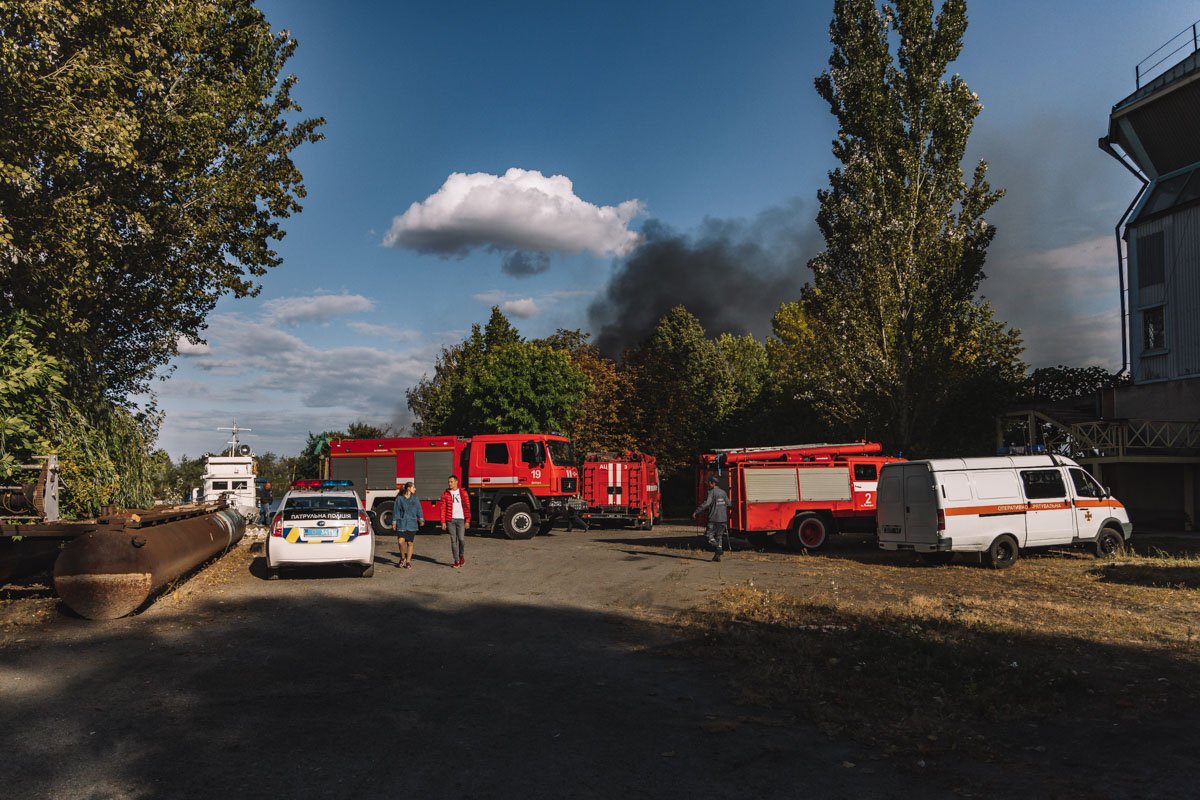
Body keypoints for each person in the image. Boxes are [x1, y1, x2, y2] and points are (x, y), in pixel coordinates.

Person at [693, 475, 730, 562]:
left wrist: (697, 512)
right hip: (723, 519)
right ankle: (717, 556)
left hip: (714, 519)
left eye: (709, 483)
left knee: (708, 535)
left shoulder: (711, 492)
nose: (708, 484)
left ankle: (718, 548)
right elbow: (729, 503)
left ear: (713, 483)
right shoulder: (723, 492)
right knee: (719, 536)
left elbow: (706, 504)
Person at [439, 474, 471, 568]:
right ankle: (456, 560)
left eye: (451, 482)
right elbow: (443, 509)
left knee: (461, 539)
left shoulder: (463, 493)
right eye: (449, 482)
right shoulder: (445, 494)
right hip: (450, 520)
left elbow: (467, 507)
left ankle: (461, 555)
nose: (450, 484)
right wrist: (443, 522)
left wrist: (467, 520)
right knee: (453, 541)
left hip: (461, 520)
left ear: (456, 482)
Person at [392, 481, 424, 568]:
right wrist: (394, 522)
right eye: (414, 487)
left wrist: (421, 519)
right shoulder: (399, 499)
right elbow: (396, 511)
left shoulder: (415, 498)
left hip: (412, 523)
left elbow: (419, 509)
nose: (415, 489)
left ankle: (408, 561)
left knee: (410, 543)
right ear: (409, 488)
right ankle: (403, 558)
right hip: (401, 523)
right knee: (400, 541)